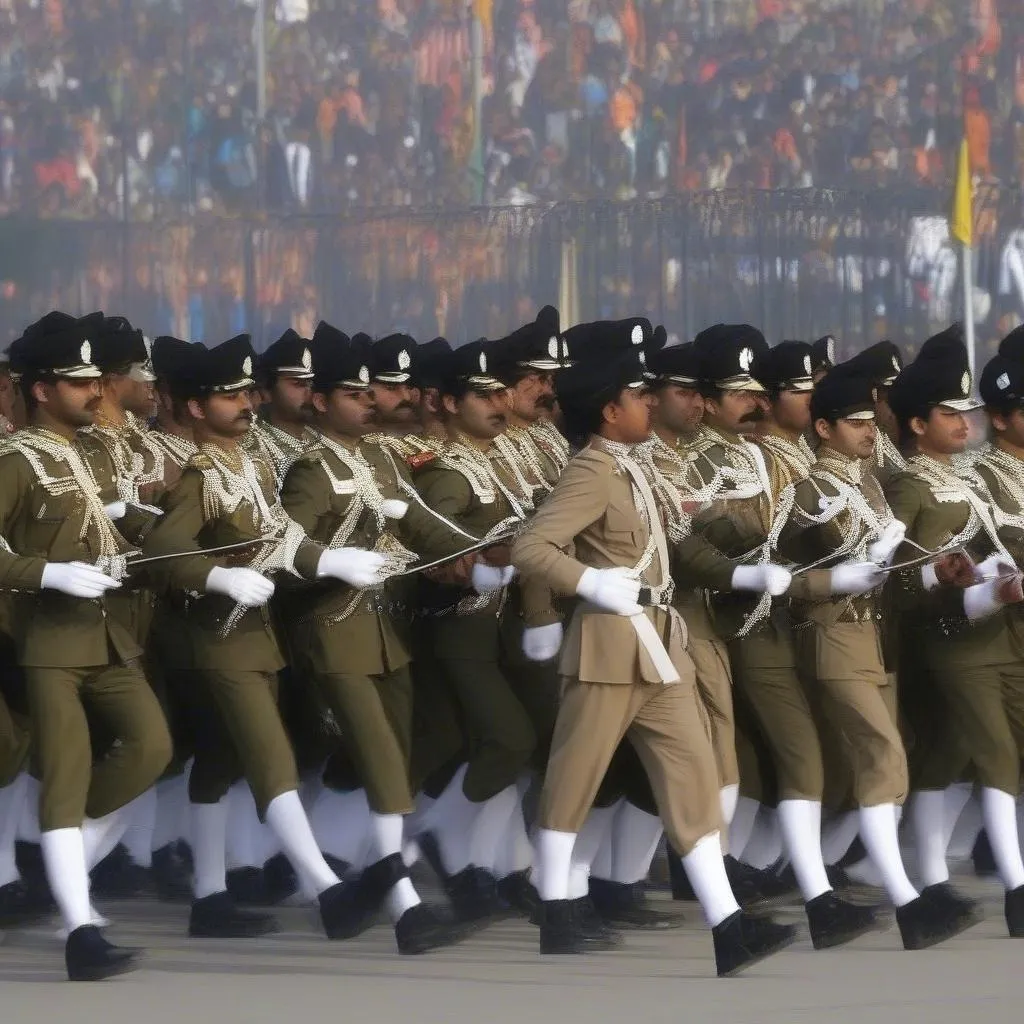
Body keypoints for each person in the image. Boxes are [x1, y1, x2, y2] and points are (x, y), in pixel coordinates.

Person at [512, 323, 798, 975]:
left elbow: (679, 539)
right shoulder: (591, 471)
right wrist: (588, 583)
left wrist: (743, 566)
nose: (650, 403)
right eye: (638, 396)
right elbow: (533, 547)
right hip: (610, 646)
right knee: (575, 778)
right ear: (610, 412)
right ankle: (555, 906)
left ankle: (728, 924)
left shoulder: (635, 470)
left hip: (660, 643)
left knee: (694, 775)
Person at [140, 333, 388, 942]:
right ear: (197, 408)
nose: (245, 403)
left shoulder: (247, 464)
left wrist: (328, 562)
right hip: (216, 640)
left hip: (253, 639)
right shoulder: (200, 474)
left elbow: (280, 537)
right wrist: (218, 574)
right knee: (271, 758)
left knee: (219, 765)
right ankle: (328, 893)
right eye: (228, 396)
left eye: (247, 392)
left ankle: (209, 897)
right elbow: (163, 551)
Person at [279, 328, 470, 953]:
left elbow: (423, 525)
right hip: (333, 633)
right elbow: (285, 551)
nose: (368, 403)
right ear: (321, 402)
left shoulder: (384, 460)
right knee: (383, 761)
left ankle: (370, 882)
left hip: (387, 634)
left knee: (396, 759)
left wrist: (488, 552)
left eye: (370, 392)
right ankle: (406, 905)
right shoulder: (309, 470)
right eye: (353, 394)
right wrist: (333, 559)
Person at [0, 311, 172, 980]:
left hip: (103, 633)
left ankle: (59, 852)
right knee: (66, 781)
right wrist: (45, 572)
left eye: (95, 381)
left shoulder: (87, 454)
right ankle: (80, 931)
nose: (93, 393)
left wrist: (125, 546)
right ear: (41, 390)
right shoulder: (15, 461)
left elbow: (95, 533)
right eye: (77, 383)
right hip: (47, 639)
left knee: (152, 745)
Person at [885, 327, 1024, 938]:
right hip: (951, 637)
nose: (961, 423)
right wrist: (965, 587)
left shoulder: (964, 478)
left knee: (951, 756)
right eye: (948, 412)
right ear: (917, 423)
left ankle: (932, 872)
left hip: (993, 629)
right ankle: (1012, 889)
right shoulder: (911, 483)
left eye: (963, 411)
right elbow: (895, 569)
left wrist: (998, 578)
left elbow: (990, 548)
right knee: (990, 756)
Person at [247, 328, 317, 484]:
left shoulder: (324, 440)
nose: (310, 393)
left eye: (313, 384)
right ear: (266, 391)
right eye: (299, 384)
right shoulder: (255, 451)